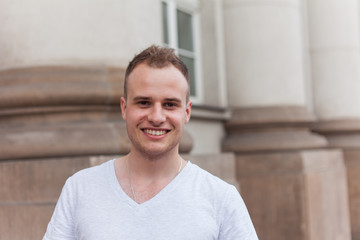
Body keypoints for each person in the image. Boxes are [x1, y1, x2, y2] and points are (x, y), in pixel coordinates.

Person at [43, 45, 258, 239]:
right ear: (124, 108)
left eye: (170, 104)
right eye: (144, 102)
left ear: (187, 112)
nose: (156, 117)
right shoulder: (80, 189)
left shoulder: (221, 198)